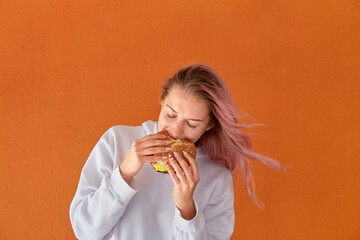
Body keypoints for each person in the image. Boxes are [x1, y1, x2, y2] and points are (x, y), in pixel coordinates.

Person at [69, 63, 284, 240]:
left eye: (192, 124)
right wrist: (124, 173)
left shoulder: (217, 176)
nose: (176, 131)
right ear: (162, 101)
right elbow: (84, 230)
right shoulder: (117, 140)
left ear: (209, 125)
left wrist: (186, 206)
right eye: (170, 115)